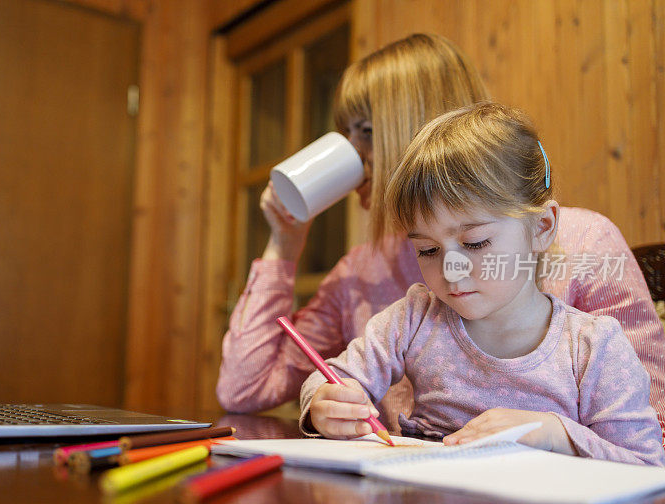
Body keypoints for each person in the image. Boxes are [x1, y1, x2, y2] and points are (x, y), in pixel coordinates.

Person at [217, 33, 665, 439]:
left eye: (367, 132)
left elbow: (649, 427)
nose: (351, 154)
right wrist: (283, 244)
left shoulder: (583, 244)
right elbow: (245, 389)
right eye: (427, 250)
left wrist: (555, 436)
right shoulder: (363, 273)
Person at [302, 103, 665, 466]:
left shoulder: (592, 347)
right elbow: (330, 379)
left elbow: (646, 465)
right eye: (427, 250)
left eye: (475, 243)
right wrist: (324, 403)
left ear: (541, 228)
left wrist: (556, 433)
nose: (451, 269)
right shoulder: (414, 319)